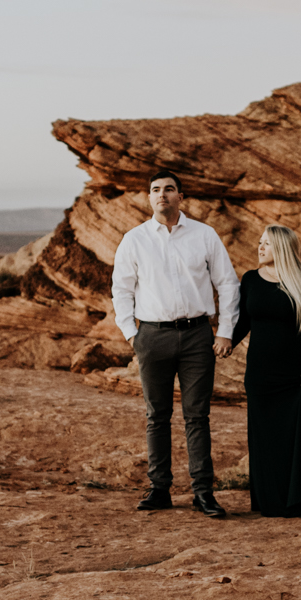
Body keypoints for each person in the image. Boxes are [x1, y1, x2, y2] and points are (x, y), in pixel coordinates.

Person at [111, 169, 240, 518]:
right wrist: (131, 334)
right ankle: (160, 489)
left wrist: (225, 330)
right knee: (157, 415)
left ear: (181, 197)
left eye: (169, 189)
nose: (162, 195)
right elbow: (121, 289)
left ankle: (203, 493)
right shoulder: (134, 239)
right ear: (148, 197)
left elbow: (228, 283)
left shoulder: (204, 235)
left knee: (198, 416)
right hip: (152, 336)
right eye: (155, 190)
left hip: (198, 335)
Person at [226, 224, 301, 518]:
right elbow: (244, 321)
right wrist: (224, 342)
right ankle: (269, 502)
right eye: (259, 242)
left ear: (281, 248)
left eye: (266, 243)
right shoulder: (251, 279)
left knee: (292, 437)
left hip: (292, 375)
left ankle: (295, 501)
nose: (260, 247)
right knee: (263, 436)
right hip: (259, 373)